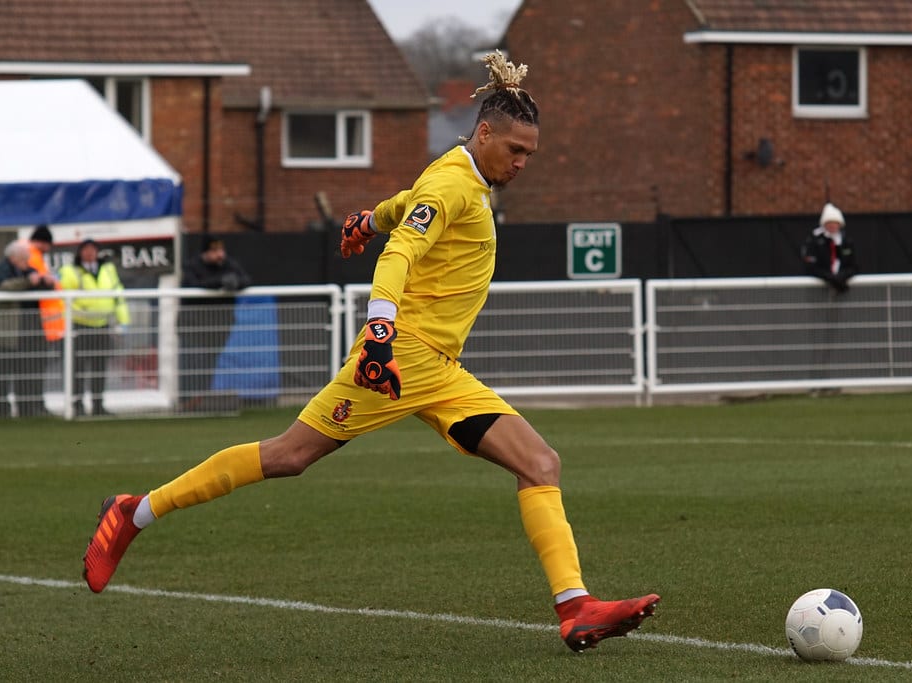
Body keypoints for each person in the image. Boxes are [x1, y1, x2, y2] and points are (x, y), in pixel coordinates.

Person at [83, 51, 659, 653]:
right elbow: (400, 254)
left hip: (438, 371)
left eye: (529, 155)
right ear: (484, 132)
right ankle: (133, 511)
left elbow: (408, 207)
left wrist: (370, 217)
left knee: (540, 464)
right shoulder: (454, 183)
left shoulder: (459, 177)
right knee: (287, 455)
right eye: (514, 150)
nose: (521, 163)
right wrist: (380, 328)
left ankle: (576, 608)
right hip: (398, 358)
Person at [178, 234, 251, 410]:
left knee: (208, 364)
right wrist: (219, 282)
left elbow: (245, 279)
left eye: (221, 250)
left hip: (219, 327)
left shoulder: (229, 265)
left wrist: (235, 283)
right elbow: (192, 284)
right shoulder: (192, 266)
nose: (219, 254)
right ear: (205, 252)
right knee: (192, 364)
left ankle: (197, 402)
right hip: (193, 327)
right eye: (214, 250)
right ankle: (185, 403)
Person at [58, 238, 130, 417]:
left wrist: (123, 321)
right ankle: (77, 404)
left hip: (103, 325)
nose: (89, 253)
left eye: (93, 249)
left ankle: (98, 404)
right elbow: (62, 297)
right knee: (78, 367)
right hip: (80, 325)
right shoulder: (70, 270)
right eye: (86, 249)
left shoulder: (108, 269)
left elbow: (117, 295)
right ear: (80, 252)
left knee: (100, 366)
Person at [0, 240, 54, 418]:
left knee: (28, 368)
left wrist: (46, 281)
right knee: (4, 372)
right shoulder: (3, 269)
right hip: (9, 331)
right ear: (14, 258)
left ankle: (29, 407)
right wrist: (26, 281)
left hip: (29, 328)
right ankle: (3, 409)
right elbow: (4, 287)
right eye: (24, 259)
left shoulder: (28, 270)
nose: (26, 263)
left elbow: (38, 283)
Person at [801, 202, 859, 293]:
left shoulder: (846, 241)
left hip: (842, 292)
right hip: (817, 291)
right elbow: (811, 266)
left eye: (835, 222)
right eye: (829, 222)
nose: (832, 225)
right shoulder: (814, 241)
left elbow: (854, 266)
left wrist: (841, 277)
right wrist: (831, 278)